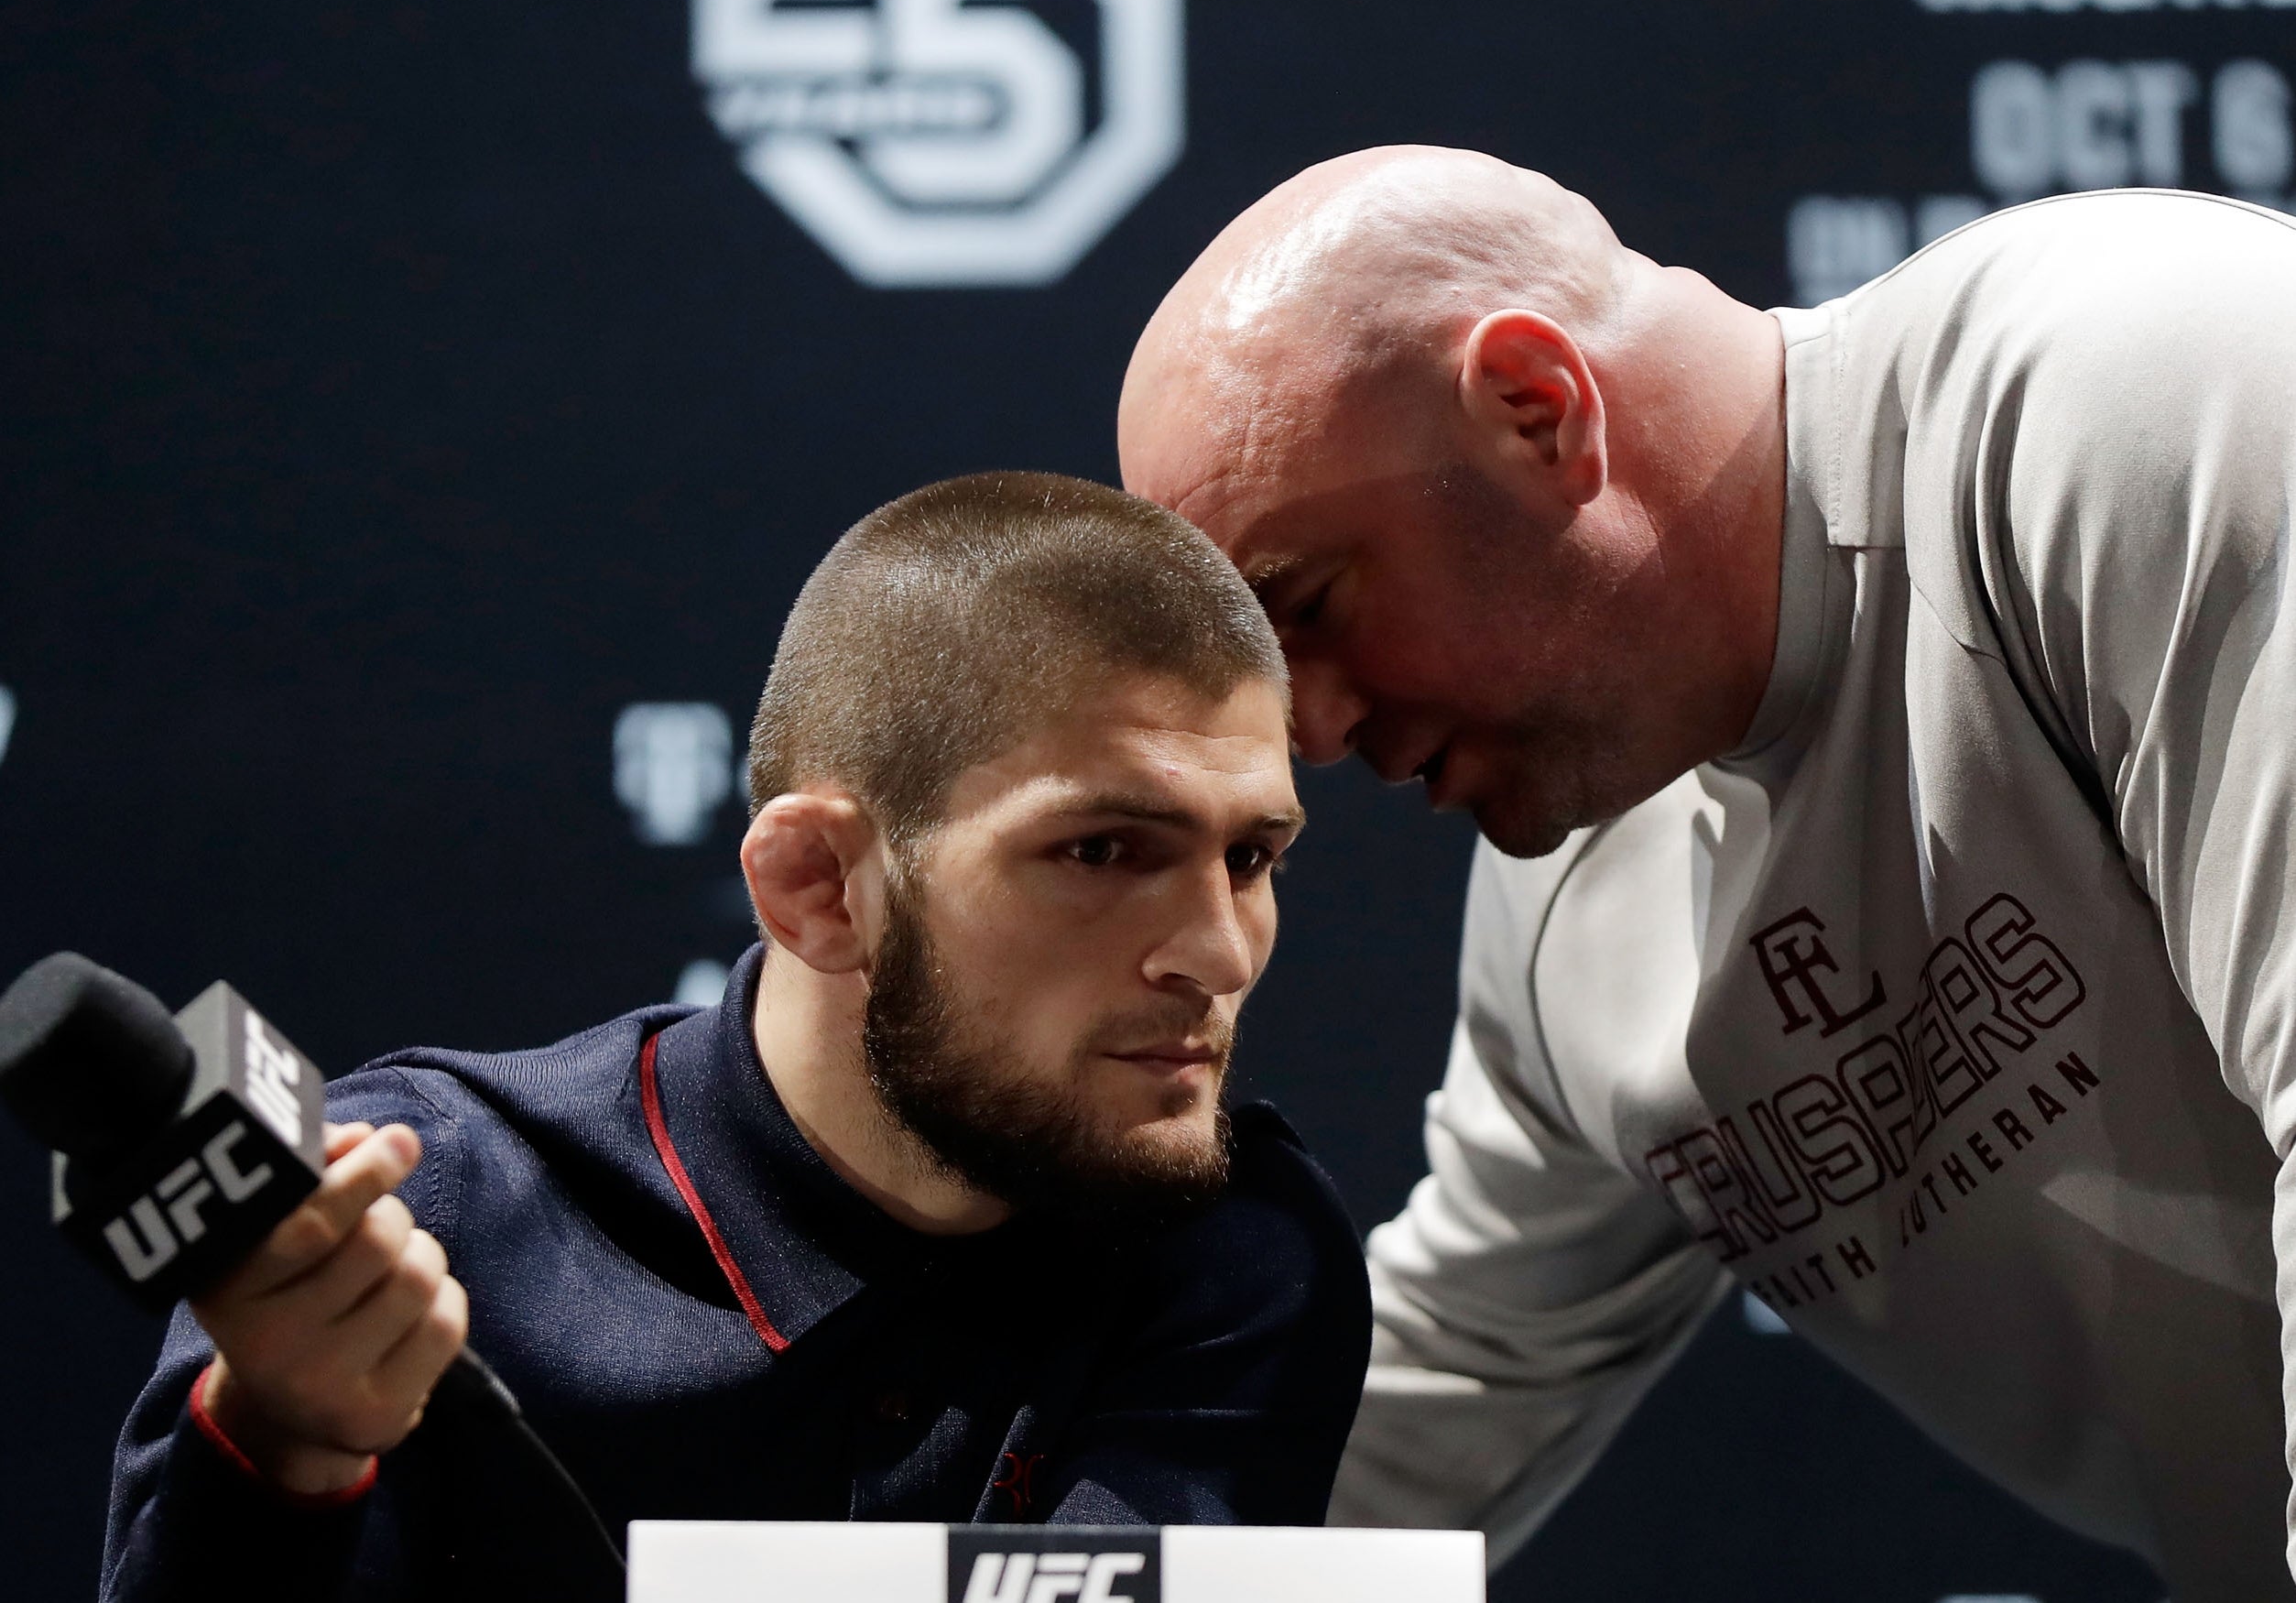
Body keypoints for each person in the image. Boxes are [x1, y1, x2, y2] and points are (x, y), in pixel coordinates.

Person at [1117, 146, 2296, 1601]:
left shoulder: (2138, 384)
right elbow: (1454, 1384)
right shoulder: (1565, 905)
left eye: (1309, 605)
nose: (1307, 733)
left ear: (1538, 410)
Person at [102, 473, 1371, 1601]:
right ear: (820, 885)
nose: (1221, 951)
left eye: (1252, 855)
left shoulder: (1239, 1250)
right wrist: (284, 1445)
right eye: (1102, 850)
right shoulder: (418, 1218)